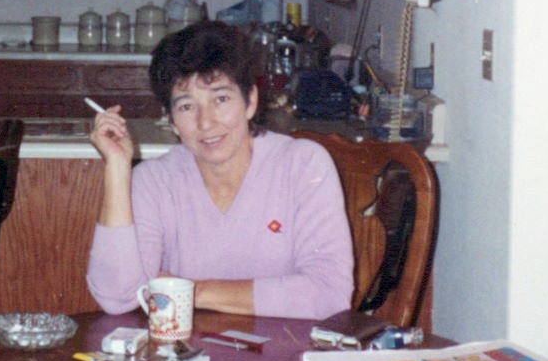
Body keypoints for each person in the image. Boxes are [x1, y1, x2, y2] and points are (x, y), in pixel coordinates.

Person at [86, 19, 353, 320]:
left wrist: (192, 291)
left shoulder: (302, 164)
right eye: (187, 106)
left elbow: (330, 295)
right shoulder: (154, 181)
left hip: (288, 346)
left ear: (250, 101)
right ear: (172, 121)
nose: (206, 122)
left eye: (221, 99)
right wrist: (117, 167)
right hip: (186, 347)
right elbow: (117, 297)